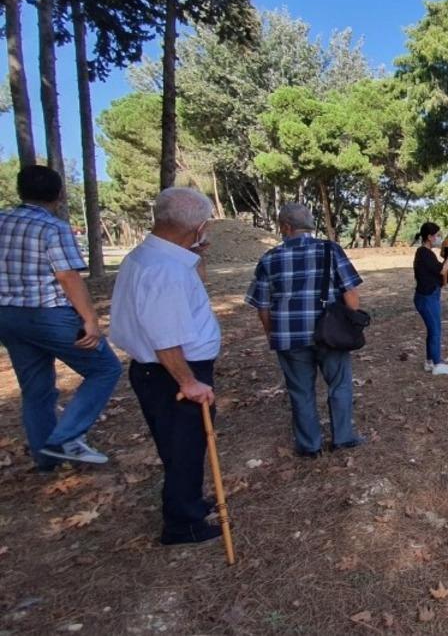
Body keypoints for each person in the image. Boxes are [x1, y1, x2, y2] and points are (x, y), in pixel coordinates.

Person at [109, 188, 223, 545]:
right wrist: (188, 382)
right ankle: (183, 524)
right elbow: (165, 337)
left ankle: (187, 499)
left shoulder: (151, 256)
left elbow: (192, 290)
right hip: (172, 373)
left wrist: (196, 252)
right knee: (185, 445)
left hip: (159, 371)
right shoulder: (164, 270)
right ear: (200, 225)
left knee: (180, 446)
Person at [0, 165, 122, 469]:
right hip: (49, 314)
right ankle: (66, 437)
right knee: (105, 369)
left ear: (20, 191)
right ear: (59, 194)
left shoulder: (2, 221)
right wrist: (90, 320)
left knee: (36, 388)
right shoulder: (53, 227)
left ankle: (46, 459)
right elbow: (67, 275)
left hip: (8, 316)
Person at [245, 204, 365, 458]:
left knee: (301, 392)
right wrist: (350, 324)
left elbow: (262, 306)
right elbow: (351, 294)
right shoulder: (330, 250)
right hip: (330, 334)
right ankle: (343, 437)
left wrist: (271, 334)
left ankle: (310, 445)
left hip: (289, 337)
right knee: (339, 385)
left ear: (285, 227)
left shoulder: (269, 258)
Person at [413, 222, 448, 375]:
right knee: (436, 330)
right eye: (437, 235)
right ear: (430, 237)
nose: (439, 238)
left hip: (426, 296)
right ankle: (437, 364)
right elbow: (442, 269)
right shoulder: (425, 253)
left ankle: (429, 361)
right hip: (427, 298)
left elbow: (435, 272)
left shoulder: (424, 253)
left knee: (432, 330)